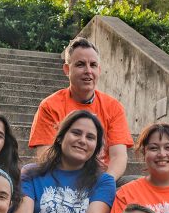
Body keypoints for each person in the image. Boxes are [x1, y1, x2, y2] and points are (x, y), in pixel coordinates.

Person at [28, 37, 133, 181]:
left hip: (100, 178)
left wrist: (104, 183)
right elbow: (45, 155)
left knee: (133, 182)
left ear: (99, 70)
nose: (88, 71)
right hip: (61, 178)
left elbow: (118, 156)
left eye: (93, 65)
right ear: (67, 69)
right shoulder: (50, 106)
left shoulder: (113, 107)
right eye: (80, 64)